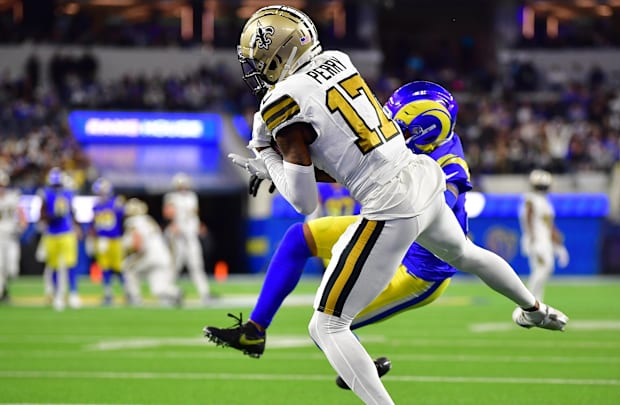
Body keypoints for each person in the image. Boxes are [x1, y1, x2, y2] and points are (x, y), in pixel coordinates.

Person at [207, 6, 568, 404]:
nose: (257, 70)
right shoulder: (337, 61)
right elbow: (347, 156)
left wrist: (268, 155)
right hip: (420, 177)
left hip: (391, 207)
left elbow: (303, 199)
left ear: (279, 55)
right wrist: (278, 156)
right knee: (467, 253)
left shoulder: (279, 104)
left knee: (326, 325)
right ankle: (534, 309)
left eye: (260, 61)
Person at [207, 81, 472, 389]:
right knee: (298, 239)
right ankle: (253, 332)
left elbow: (435, 207)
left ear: (424, 128)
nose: (391, 125)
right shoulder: (418, 141)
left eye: (400, 121)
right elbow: (352, 168)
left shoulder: (450, 162)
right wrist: (281, 168)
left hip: (417, 270)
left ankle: (357, 365)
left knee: (327, 325)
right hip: (385, 230)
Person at [518, 169, 569, 302]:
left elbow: (549, 225)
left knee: (539, 269)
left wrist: (558, 243)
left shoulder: (545, 202)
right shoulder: (530, 199)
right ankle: (527, 298)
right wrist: (531, 237)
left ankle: (537, 301)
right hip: (537, 240)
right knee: (546, 266)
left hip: (544, 240)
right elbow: (528, 218)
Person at [162, 172, 213, 304]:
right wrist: (173, 224)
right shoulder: (171, 197)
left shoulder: (192, 196)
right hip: (178, 237)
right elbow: (167, 213)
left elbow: (194, 214)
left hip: (190, 235)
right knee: (174, 266)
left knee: (197, 265)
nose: (183, 187)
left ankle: (205, 293)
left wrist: (198, 224)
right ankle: (167, 292)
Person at [122, 198, 183, 307]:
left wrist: (132, 252)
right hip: (163, 256)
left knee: (127, 267)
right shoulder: (149, 219)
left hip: (147, 255)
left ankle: (134, 298)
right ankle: (175, 292)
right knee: (157, 289)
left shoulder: (132, 222)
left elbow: (138, 242)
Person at [37, 167, 81, 311]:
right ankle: (57, 295)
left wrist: (77, 226)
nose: (57, 187)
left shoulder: (68, 194)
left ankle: (73, 293)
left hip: (67, 232)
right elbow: (41, 215)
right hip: (52, 233)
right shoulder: (45, 194)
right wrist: (52, 216)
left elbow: (73, 212)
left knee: (70, 264)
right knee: (54, 266)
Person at [88, 177, 126, 305]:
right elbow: (93, 225)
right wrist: (92, 238)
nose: (100, 194)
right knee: (105, 268)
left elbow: (123, 219)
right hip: (102, 241)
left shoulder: (116, 203)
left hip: (115, 240)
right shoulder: (96, 206)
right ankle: (108, 293)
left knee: (119, 268)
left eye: (102, 191)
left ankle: (127, 292)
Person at [0, 170, 27, 302]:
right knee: (0, 267)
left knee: (12, 270)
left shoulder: (12, 197)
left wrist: (21, 226)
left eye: (2, 185)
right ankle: (3, 292)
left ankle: (4, 288)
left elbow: (22, 215)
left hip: (11, 237)